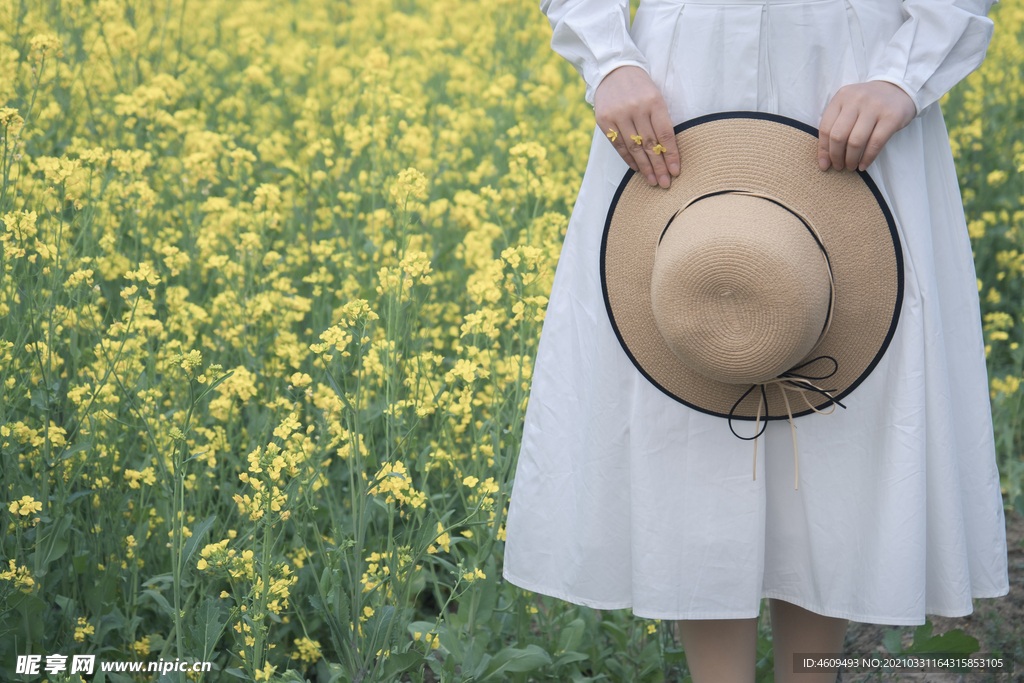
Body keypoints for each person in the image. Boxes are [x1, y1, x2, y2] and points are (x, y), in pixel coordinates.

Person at [501, 0, 1012, 681]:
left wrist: (904, 74)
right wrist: (610, 59)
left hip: (854, 82)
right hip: (686, 86)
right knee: (698, 381)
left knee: (839, 402)